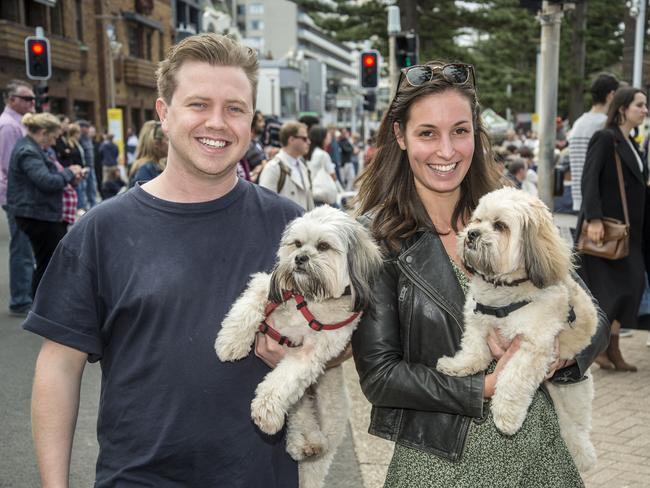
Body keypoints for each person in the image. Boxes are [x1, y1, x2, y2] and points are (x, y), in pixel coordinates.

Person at [23, 33, 303, 488]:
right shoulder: (102, 230)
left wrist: (314, 350)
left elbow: (341, 327)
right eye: (198, 104)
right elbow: (59, 366)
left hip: (261, 476)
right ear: (163, 115)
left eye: (234, 108)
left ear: (252, 120)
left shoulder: (294, 229)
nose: (217, 123)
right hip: (137, 478)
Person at [351, 60, 610, 487]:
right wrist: (485, 387)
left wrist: (557, 354)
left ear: (476, 132)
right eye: (427, 133)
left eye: (460, 130)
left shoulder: (507, 207)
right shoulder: (375, 239)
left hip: (539, 453)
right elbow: (381, 376)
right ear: (400, 136)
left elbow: (587, 313)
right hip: (438, 462)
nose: (447, 151)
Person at [577, 86, 649, 372]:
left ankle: (609, 348)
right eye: (640, 105)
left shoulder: (630, 140)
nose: (645, 110)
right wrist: (593, 219)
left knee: (629, 290)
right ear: (622, 108)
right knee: (615, 292)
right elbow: (589, 178)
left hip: (631, 233)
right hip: (607, 231)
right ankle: (604, 348)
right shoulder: (605, 138)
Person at [5, 112, 83, 296]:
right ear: (42, 132)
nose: (55, 142)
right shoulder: (28, 151)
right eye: (54, 137)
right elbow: (46, 181)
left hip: (40, 213)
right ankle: (43, 307)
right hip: (37, 215)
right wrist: (70, 173)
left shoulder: (33, 148)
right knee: (48, 264)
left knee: (47, 262)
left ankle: (43, 306)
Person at [0, 79, 37, 316]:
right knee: (22, 248)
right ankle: (21, 299)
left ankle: (25, 295)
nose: (32, 103)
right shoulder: (9, 126)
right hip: (17, 195)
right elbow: (9, 165)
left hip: (21, 194)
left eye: (33, 98)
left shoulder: (18, 124)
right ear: (12, 100)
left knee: (27, 247)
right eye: (27, 98)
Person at [569, 73, 619, 213]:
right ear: (611, 95)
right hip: (598, 201)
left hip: (578, 199)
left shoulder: (578, 123)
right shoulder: (604, 124)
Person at [259, 121, 314, 210]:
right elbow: (265, 205)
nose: (309, 142)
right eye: (304, 138)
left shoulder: (303, 167)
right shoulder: (273, 168)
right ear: (291, 139)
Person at [128, 120, 168, 187]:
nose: (170, 143)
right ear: (156, 143)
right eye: (167, 139)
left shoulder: (157, 165)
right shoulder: (146, 169)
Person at [306, 125, 339, 206]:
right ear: (321, 137)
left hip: (312, 192)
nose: (330, 137)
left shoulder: (307, 153)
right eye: (327, 135)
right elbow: (333, 176)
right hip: (324, 195)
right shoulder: (323, 155)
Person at [77, 120, 98, 209]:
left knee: (92, 187)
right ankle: (84, 206)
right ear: (82, 128)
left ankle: (93, 205)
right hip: (85, 167)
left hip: (91, 166)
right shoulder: (79, 139)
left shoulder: (88, 138)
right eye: (86, 127)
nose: (88, 129)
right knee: (84, 188)